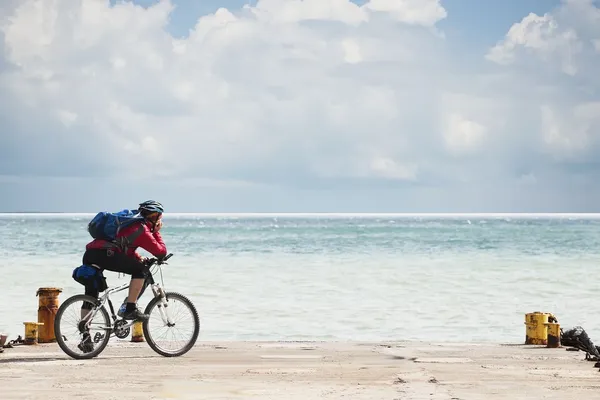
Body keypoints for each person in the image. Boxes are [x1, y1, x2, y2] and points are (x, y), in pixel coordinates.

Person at [81, 200, 168, 321]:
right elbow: (161, 252)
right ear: (154, 217)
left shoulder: (128, 224)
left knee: (91, 295)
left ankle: (85, 334)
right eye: (159, 218)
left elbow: (123, 247)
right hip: (106, 255)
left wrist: (138, 257)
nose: (159, 221)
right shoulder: (142, 229)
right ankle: (130, 308)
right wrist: (156, 232)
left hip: (91, 254)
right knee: (140, 271)